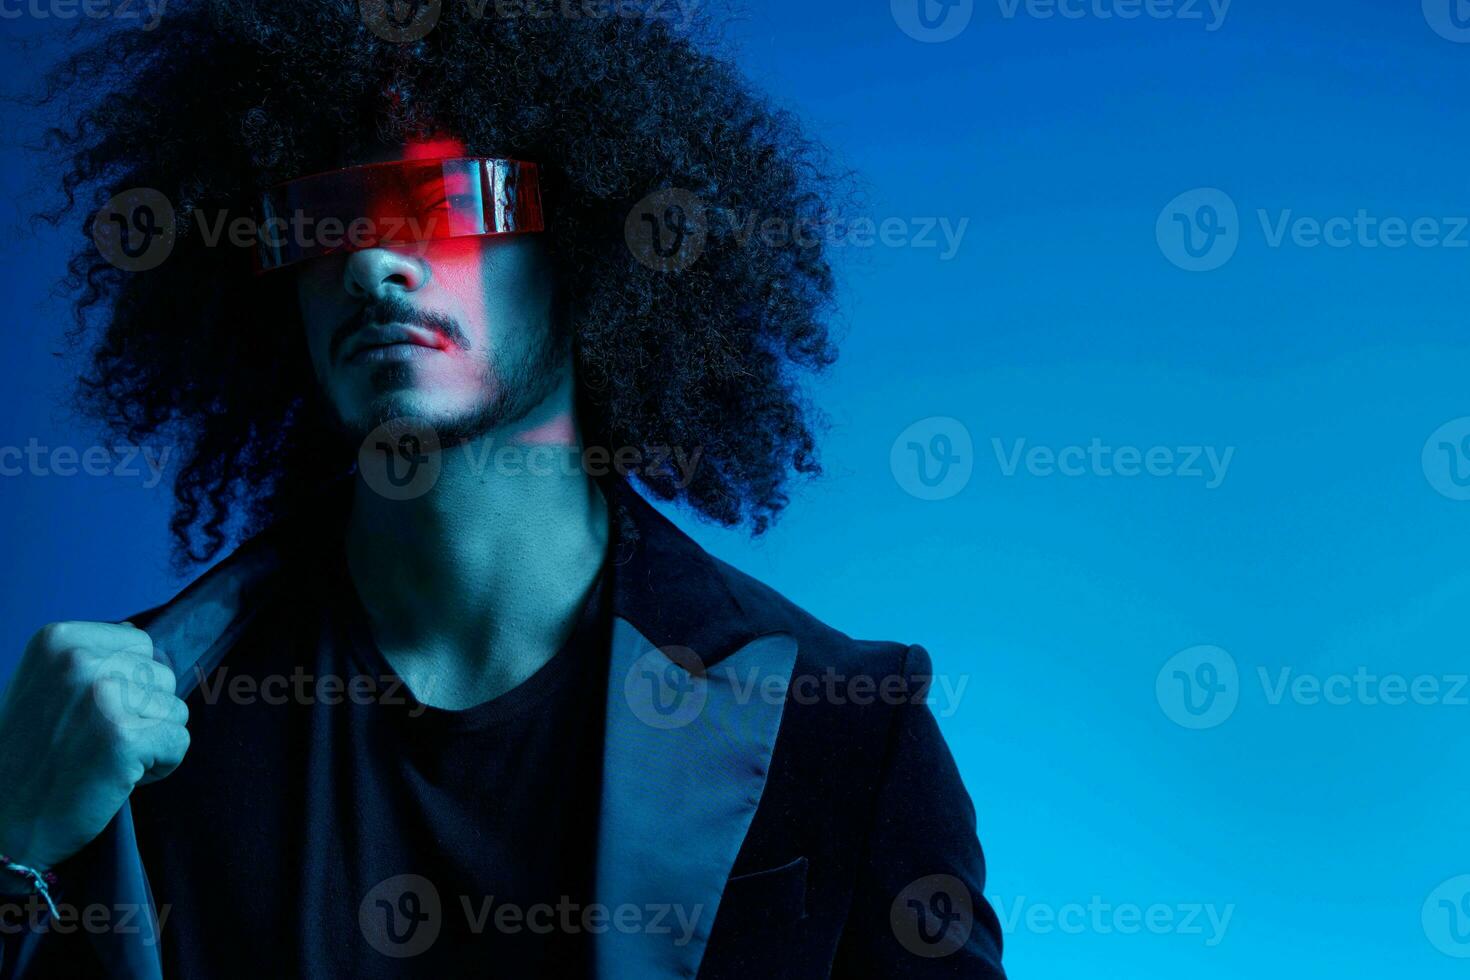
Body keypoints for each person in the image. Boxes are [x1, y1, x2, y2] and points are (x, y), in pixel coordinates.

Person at [0, 3, 1005, 976]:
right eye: (325, 216)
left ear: (581, 239)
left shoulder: (843, 729)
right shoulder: (132, 723)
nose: (376, 262)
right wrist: (14, 850)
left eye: (438, 200)